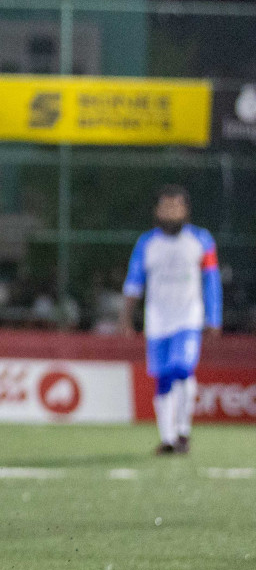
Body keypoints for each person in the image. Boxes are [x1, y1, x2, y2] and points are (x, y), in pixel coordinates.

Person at [118, 185, 221, 454]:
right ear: (157, 210)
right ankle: (168, 438)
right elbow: (133, 282)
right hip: (157, 321)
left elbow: (211, 280)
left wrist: (214, 316)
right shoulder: (146, 243)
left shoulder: (202, 240)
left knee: (182, 368)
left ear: (185, 210)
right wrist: (126, 317)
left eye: (176, 207)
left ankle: (183, 432)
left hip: (188, 318)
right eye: (166, 207)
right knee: (163, 378)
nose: (171, 212)